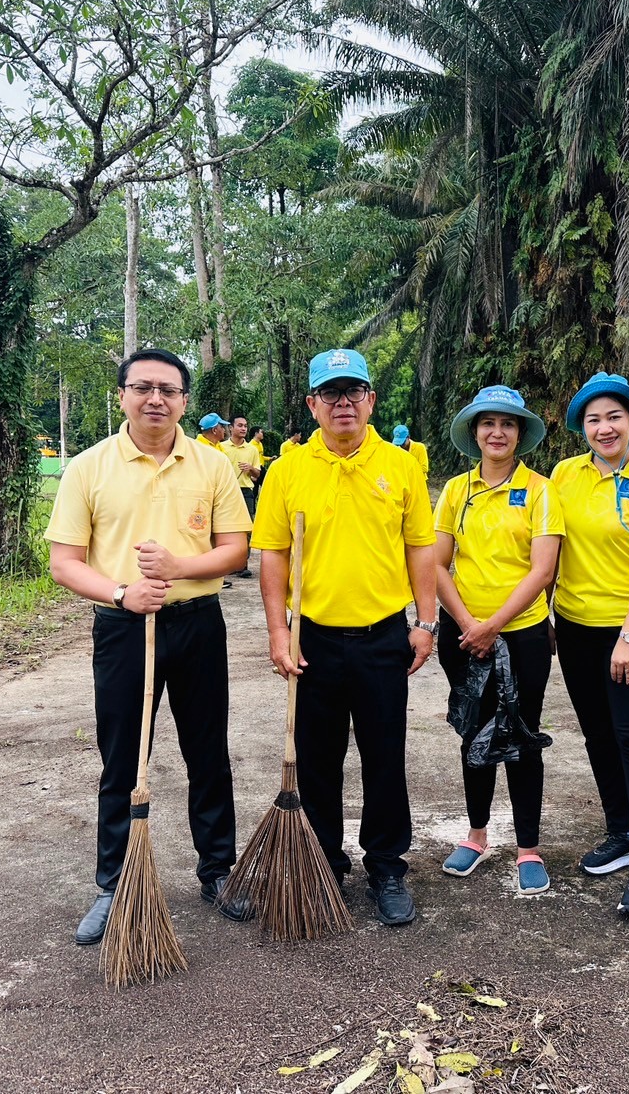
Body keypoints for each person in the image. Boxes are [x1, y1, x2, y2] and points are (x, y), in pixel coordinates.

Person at [45, 347, 253, 946]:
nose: (155, 398)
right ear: (122, 396)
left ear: (185, 400)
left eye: (168, 389)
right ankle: (113, 885)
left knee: (208, 753)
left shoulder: (212, 466)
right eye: (143, 388)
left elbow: (235, 550)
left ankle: (218, 871)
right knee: (120, 758)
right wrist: (120, 594)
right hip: (122, 627)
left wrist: (178, 567)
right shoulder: (88, 467)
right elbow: (65, 563)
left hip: (197, 624)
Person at [252, 348, 438, 926]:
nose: (343, 403)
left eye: (353, 391)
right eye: (330, 394)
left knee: (385, 755)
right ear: (312, 404)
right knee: (317, 758)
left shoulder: (402, 466)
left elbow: (420, 549)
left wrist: (426, 622)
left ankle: (386, 864)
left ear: (371, 401)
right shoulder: (287, 470)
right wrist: (279, 633)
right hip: (314, 639)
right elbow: (274, 557)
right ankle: (325, 861)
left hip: (384, 635)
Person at [550, 373, 629, 918]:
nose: (605, 428)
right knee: (598, 736)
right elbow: (549, 549)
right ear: (583, 426)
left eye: (614, 417)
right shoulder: (563, 475)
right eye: (594, 419)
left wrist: (628, 636)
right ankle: (621, 831)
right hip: (575, 628)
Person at [433, 386, 563, 895]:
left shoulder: (540, 490)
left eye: (508, 424)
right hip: (462, 635)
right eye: (487, 423)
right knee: (475, 733)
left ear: (520, 434)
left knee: (523, 735)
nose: (497, 432)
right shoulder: (455, 491)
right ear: (474, 432)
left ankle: (528, 847)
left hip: (523, 634)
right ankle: (476, 835)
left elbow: (543, 568)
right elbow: (437, 564)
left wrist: (494, 625)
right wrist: (468, 623)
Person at [227, 416, 263, 578]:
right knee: (224, 527)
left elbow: (258, 475)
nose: (243, 429)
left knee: (245, 528)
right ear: (231, 428)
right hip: (226, 492)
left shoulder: (252, 450)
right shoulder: (221, 448)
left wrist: (251, 469)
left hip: (246, 491)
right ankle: (225, 564)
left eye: (245, 426)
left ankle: (242, 564)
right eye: (240, 425)